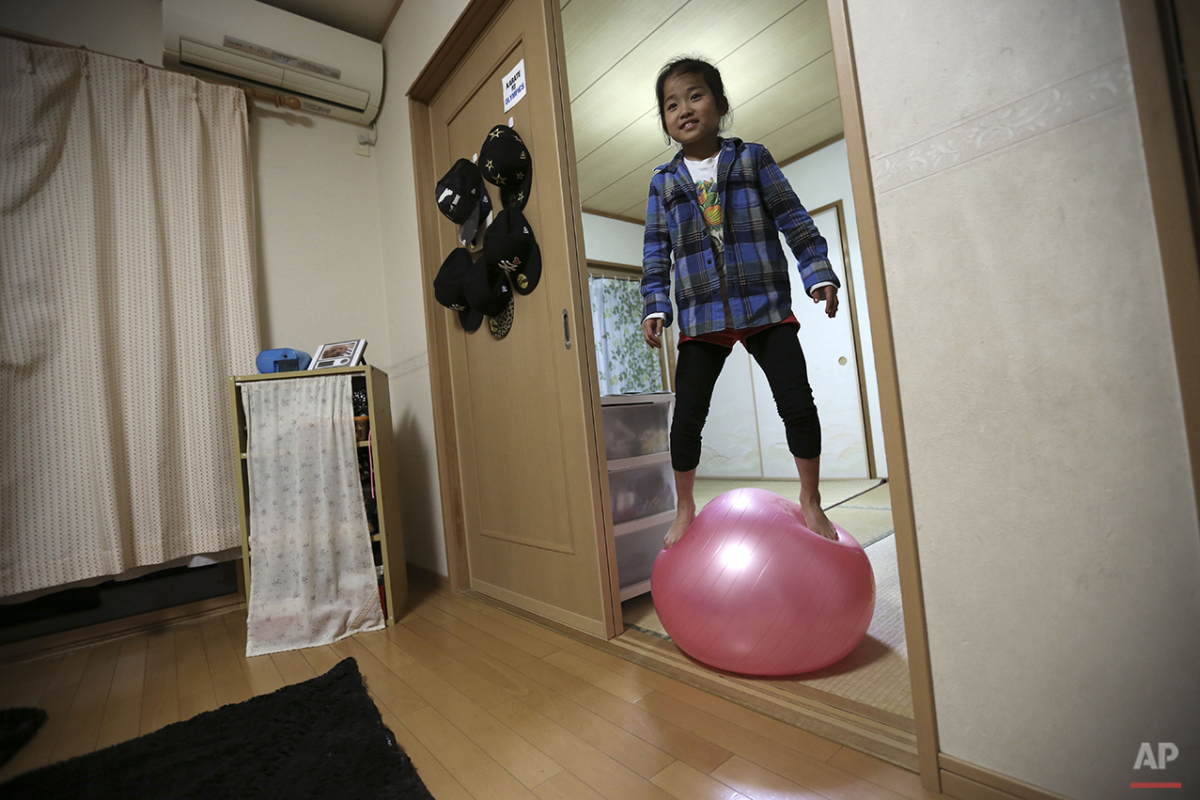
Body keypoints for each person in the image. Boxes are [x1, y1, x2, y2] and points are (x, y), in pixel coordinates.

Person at [640, 57, 841, 548]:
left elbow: (794, 219)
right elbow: (655, 251)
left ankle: (811, 498)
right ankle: (685, 505)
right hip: (702, 315)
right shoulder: (663, 182)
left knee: (796, 401)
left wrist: (817, 274)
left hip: (764, 306)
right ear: (665, 121)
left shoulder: (752, 158)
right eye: (671, 104)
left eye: (695, 95)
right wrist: (655, 304)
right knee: (686, 414)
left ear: (720, 103)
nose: (684, 109)